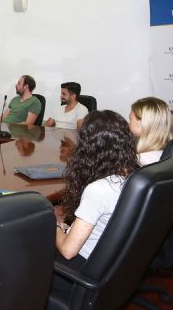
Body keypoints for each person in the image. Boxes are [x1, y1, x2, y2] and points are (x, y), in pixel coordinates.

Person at [54, 110, 138, 277]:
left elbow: (68, 251)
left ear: (90, 146)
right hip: (112, 266)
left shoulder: (99, 190)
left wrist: (54, 225)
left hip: (79, 270)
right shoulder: (135, 175)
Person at [129, 97, 173, 166]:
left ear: (143, 122)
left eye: (131, 119)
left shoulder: (142, 160)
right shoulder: (168, 153)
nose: (129, 123)